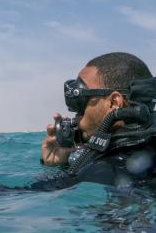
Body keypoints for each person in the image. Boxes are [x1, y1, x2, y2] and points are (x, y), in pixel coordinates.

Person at [39, 52, 156, 189]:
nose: (76, 115)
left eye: (79, 102)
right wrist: (63, 164)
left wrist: (55, 173)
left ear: (114, 102)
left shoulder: (104, 172)